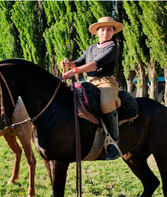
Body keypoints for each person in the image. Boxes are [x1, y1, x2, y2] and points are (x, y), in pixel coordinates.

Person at [60, 16, 124, 160]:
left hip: (105, 81)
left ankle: (114, 141)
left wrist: (73, 71)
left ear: (113, 32)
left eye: (109, 29)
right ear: (97, 32)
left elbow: (95, 64)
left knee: (107, 102)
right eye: (102, 29)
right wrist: (68, 64)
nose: (105, 32)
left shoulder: (112, 47)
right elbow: (78, 62)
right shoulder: (91, 48)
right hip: (88, 81)